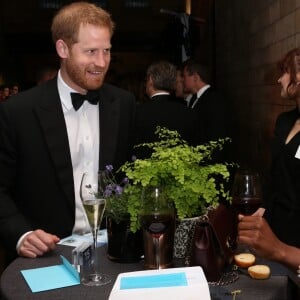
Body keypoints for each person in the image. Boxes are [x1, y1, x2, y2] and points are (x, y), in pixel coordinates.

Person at [0, 2, 136, 263]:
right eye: (91, 51)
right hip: (47, 256)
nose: (101, 63)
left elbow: (133, 174)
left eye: (106, 51)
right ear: (62, 48)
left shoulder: (124, 104)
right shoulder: (18, 112)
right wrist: (20, 234)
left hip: (112, 254)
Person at [238, 47, 300, 272]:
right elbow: (276, 175)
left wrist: (282, 250)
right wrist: (262, 208)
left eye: (284, 71)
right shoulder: (284, 121)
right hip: (276, 227)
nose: (279, 79)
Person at [134, 60, 197, 157]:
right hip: (181, 170)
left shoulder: (138, 113)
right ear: (173, 83)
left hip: (145, 170)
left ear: (150, 80)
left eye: (146, 80)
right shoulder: (188, 112)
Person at [181, 59, 228, 144]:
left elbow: (216, 136)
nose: (182, 80)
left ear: (195, 77)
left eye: (184, 76)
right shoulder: (195, 99)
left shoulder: (213, 99)